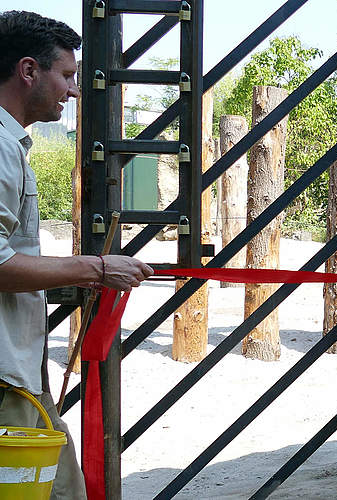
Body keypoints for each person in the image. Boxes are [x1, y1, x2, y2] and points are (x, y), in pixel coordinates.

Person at [0, 10, 154, 499]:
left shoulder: (13, 146)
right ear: (28, 71)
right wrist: (97, 267)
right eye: (66, 75)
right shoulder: (1, 148)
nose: (73, 90)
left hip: (19, 368)